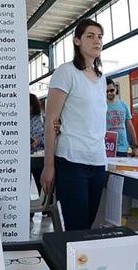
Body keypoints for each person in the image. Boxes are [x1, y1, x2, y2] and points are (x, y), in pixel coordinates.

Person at [40, 18, 108, 231]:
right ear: (77, 41)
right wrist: (48, 166)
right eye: (90, 36)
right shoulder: (66, 72)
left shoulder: (101, 77)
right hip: (71, 161)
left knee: (88, 225)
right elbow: (52, 121)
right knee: (76, 228)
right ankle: (68, 265)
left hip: (97, 161)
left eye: (99, 36)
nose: (96, 41)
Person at [105, 79, 138, 157]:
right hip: (107, 148)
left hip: (122, 148)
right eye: (106, 91)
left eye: (111, 90)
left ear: (116, 89)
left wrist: (135, 146)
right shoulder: (102, 107)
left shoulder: (124, 105)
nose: (109, 93)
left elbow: (130, 127)